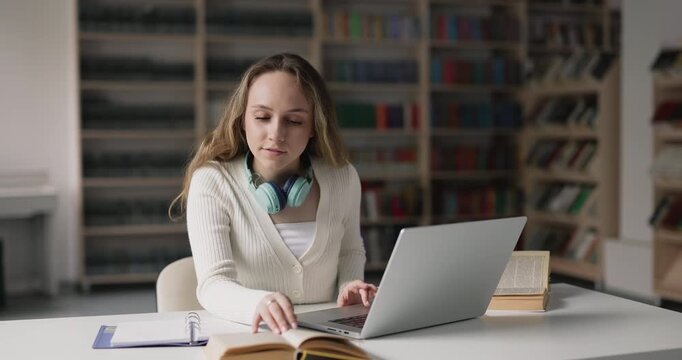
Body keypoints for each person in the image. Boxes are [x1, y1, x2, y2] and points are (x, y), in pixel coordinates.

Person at [171, 53, 377, 335]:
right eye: (262, 117)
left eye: (294, 121)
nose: (276, 133)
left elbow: (350, 251)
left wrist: (350, 286)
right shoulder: (213, 182)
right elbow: (213, 284)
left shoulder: (343, 177)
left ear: (314, 126)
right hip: (253, 334)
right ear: (242, 120)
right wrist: (258, 302)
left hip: (328, 338)